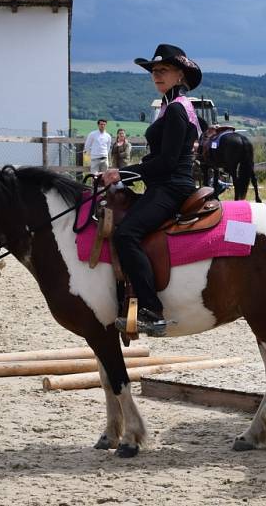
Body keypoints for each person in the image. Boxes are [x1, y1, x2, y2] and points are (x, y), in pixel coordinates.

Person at [102, 44, 202, 334]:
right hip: (166, 184)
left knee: (126, 234)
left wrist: (122, 173)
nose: (156, 75)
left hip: (171, 188)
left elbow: (167, 162)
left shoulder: (175, 111)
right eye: (154, 71)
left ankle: (151, 310)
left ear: (180, 75)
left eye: (163, 70)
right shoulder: (173, 106)